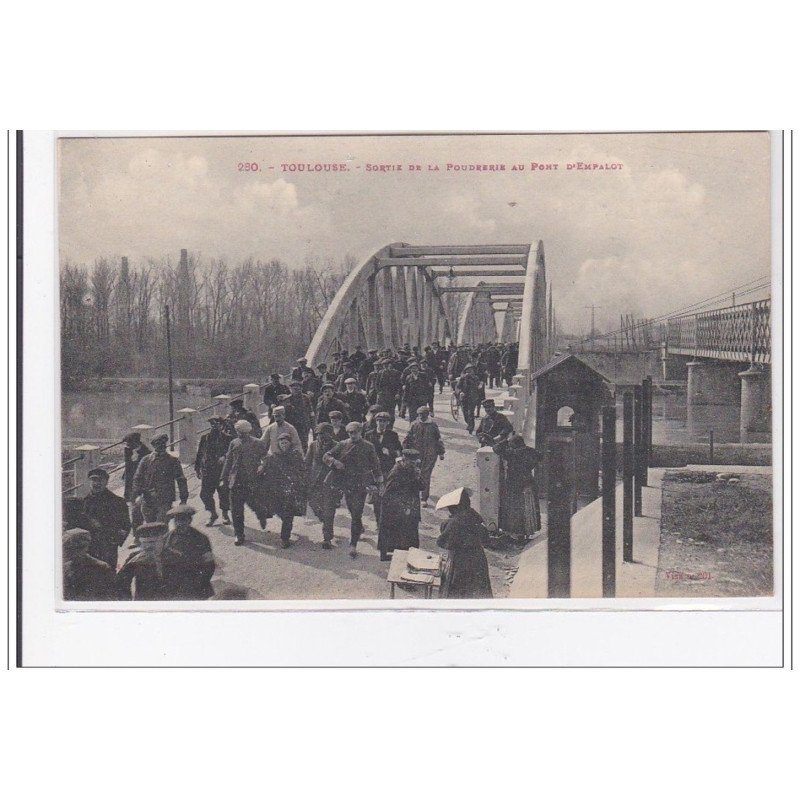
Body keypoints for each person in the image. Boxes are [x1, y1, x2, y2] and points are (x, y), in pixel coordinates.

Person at [322, 421, 384, 558]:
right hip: (346, 483)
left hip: (360, 484)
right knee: (352, 510)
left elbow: (376, 465)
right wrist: (334, 462)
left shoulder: (368, 447)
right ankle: (359, 527)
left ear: (360, 432)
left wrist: (380, 483)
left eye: (355, 433)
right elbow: (326, 456)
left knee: (356, 513)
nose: (352, 435)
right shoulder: (343, 444)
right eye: (350, 433)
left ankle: (353, 544)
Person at [435, 487, 493, 598]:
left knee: (459, 592)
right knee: (479, 590)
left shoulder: (454, 522)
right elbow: (486, 538)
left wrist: (446, 524)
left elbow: (442, 541)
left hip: (461, 562)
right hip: (478, 559)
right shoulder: (474, 515)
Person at [220, 420, 269, 545]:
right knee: (236, 510)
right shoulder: (233, 443)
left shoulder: (257, 443)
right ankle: (239, 534)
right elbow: (228, 461)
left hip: (251, 481)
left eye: (243, 433)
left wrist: (262, 466)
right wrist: (223, 478)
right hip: (235, 481)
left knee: (254, 504)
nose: (241, 435)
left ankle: (261, 514)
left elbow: (266, 457)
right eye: (239, 432)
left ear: (248, 432)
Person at [262, 431, 307, 548]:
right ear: (278, 444)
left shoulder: (296, 455)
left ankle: (284, 538)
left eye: (286, 443)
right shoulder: (274, 457)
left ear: (290, 443)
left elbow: (302, 471)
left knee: (288, 513)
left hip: (292, 490)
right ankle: (287, 527)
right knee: (280, 511)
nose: (284, 445)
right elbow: (268, 471)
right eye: (281, 443)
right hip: (278, 490)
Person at [131, 433, 189, 523]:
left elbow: (181, 480)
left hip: (165, 500)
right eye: (157, 444)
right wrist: (137, 494)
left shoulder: (172, 461)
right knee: (149, 526)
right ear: (153, 446)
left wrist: (183, 499)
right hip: (147, 499)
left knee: (162, 526)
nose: (161, 447)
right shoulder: (146, 460)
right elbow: (137, 478)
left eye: (163, 444)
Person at [378, 449, 424, 561]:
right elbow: (388, 492)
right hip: (394, 507)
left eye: (415, 463)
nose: (414, 465)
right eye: (412, 462)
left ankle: (407, 554)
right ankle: (385, 555)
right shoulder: (397, 471)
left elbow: (421, 487)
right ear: (404, 460)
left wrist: (418, 477)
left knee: (410, 531)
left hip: (409, 505)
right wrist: (404, 506)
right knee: (390, 530)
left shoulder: (412, 470)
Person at [82, 467, 131, 569]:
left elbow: (126, 526)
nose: (96, 483)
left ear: (106, 482)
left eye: (100, 480)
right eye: (93, 480)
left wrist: (115, 541)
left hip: (108, 546)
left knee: (108, 574)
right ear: (89, 482)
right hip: (89, 547)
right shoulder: (83, 502)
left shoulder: (117, 502)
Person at [493, 434, 542, 538]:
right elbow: (540, 456)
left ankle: (516, 533)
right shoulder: (531, 451)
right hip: (528, 481)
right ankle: (527, 531)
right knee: (528, 507)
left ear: (515, 444)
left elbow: (496, 448)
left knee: (514, 508)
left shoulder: (512, 453)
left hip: (513, 483)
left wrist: (505, 440)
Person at [164, 505, 216, 599]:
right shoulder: (167, 538)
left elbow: (209, 564)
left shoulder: (201, 538)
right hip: (174, 585)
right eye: (177, 521)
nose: (180, 524)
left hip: (196, 583)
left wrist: (200, 582)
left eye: (183, 520)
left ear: (189, 521)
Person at [365, 411, 403, 534]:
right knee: (376, 499)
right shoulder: (368, 435)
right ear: (376, 422)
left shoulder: (393, 435)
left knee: (388, 497)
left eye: (384, 421)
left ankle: (387, 521)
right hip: (374, 471)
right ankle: (378, 522)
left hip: (388, 470)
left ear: (387, 423)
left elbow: (399, 452)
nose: (381, 423)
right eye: (379, 421)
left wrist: (390, 452)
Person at [116, 521, 174, 600]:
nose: (148, 546)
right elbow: (121, 582)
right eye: (144, 543)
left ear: (162, 541)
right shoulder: (135, 558)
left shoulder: (173, 557)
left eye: (153, 542)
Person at [403, 405, 445, 507]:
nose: (422, 417)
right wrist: (404, 452)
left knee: (425, 475)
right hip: (415, 454)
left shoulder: (433, 426)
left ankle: (423, 497)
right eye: (420, 415)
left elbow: (438, 439)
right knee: (413, 474)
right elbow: (407, 439)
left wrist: (441, 452)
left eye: (424, 415)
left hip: (430, 454)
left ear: (427, 414)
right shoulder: (414, 425)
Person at [194, 416, 232, 525]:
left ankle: (225, 515)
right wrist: (197, 468)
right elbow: (200, 453)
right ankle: (213, 513)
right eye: (212, 424)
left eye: (217, 424)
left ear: (222, 426)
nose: (214, 427)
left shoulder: (228, 438)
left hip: (222, 471)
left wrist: (224, 456)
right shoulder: (205, 438)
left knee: (224, 493)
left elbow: (232, 453)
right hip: (208, 470)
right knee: (204, 494)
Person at [62, 528, 116, 601]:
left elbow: (109, 596)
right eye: (69, 549)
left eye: (78, 548)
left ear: (86, 548)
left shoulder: (101, 567)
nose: (73, 553)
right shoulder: (65, 567)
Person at [304, 422, 336, 538]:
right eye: (318, 434)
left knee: (329, 508)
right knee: (313, 504)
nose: (320, 436)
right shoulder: (313, 445)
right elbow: (307, 462)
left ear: (330, 434)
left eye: (323, 433)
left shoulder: (337, 445)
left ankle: (327, 536)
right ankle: (323, 518)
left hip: (330, 481)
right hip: (314, 480)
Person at [122, 432, 150, 502]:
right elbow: (128, 465)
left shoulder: (146, 453)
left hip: (141, 480)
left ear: (135, 443)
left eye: (128, 444)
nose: (127, 446)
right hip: (130, 478)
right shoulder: (128, 450)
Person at [454, 365, 482, 435]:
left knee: (470, 413)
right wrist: (460, 392)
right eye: (467, 371)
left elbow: (479, 387)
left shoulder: (475, 378)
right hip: (464, 398)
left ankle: (471, 427)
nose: (469, 372)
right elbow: (457, 387)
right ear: (465, 371)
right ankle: (469, 423)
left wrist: (479, 387)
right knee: (465, 413)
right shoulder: (462, 379)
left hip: (472, 398)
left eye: (471, 370)